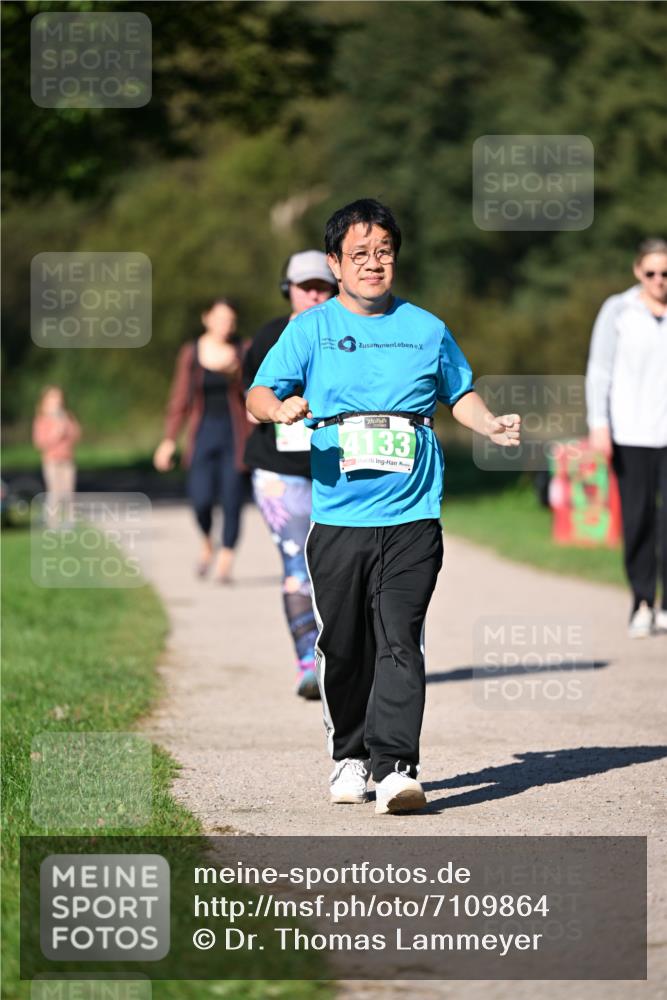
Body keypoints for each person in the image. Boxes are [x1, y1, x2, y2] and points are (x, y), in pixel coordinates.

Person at [247, 199, 521, 815]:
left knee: (400, 636)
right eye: (360, 254)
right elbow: (258, 395)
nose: (374, 264)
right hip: (340, 516)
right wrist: (279, 408)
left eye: (384, 253)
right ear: (335, 265)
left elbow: (461, 392)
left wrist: (489, 424)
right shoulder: (309, 328)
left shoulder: (427, 328)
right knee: (345, 646)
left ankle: (396, 767)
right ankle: (349, 755)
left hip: (412, 512)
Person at [243, 251, 337, 700]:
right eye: (306, 286)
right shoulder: (269, 336)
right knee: (296, 566)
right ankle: (308, 661)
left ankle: (341, 657)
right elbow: (254, 395)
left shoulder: (348, 333)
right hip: (281, 473)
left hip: (338, 470)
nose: (315, 293)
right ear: (289, 290)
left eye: (322, 285)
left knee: (340, 566)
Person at [586, 237, 667, 638]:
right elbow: (599, 371)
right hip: (631, 433)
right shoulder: (618, 310)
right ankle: (642, 600)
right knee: (638, 520)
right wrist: (599, 424)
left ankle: (666, 604)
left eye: (666, 273)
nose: (660, 280)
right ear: (639, 271)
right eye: (652, 273)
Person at [154, 298, 249, 583]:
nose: (226, 325)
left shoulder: (244, 350)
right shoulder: (191, 352)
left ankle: (226, 559)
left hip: (235, 435)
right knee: (200, 498)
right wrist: (169, 439)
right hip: (203, 434)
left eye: (230, 320)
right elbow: (180, 398)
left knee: (233, 499)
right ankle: (208, 538)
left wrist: (239, 374)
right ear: (206, 318)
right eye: (220, 319)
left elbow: (259, 391)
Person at [32, 385, 81, 528]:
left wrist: (66, 424)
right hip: (51, 460)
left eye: (59, 397)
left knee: (69, 490)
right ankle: (52, 521)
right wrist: (56, 432)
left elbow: (76, 434)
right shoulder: (42, 419)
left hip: (67, 459)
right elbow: (39, 442)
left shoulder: (66, 415)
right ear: (45, 400)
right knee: (55, 491)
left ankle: (70, 520)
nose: (57, 401)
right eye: (53, 397)